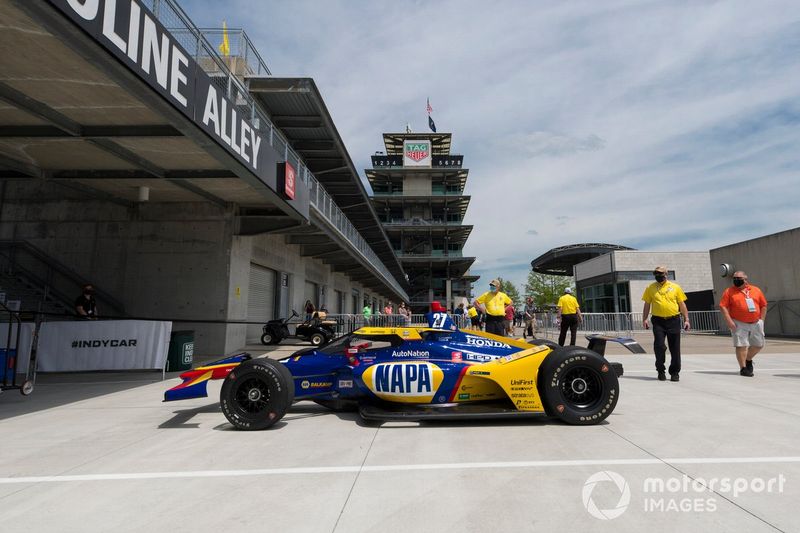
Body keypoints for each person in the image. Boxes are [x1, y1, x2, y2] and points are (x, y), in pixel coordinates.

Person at [642, 266, 691, 382]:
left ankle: (674, 372)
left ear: (666, 274)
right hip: (658, 321)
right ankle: (660, 370)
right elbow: (647, 304)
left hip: (673, 320)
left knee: (675, 347)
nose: (658, 276)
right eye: (656, 274)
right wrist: (644, 319)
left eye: (660, 273)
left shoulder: (675, 287)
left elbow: (682, 304)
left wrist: (686, 319)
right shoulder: (650, 287)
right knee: (659, 346)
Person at [719, 271, 767, 377]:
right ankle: (743, 368)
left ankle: (748, 359)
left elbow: (763, 305)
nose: (736, 280)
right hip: (738, 322)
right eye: (734, 278)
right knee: (741, 345)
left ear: (745, 279)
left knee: (759, 344)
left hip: (756, 322)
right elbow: (722, 306)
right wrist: (729, 321)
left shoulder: (756, 290)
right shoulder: (729, 291)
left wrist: (761, 320)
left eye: (738, 278)